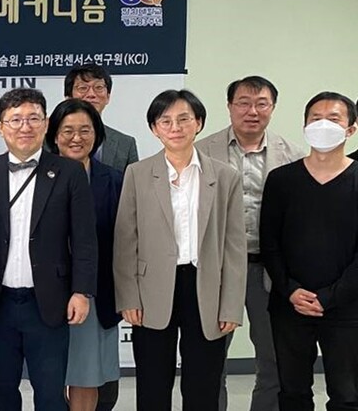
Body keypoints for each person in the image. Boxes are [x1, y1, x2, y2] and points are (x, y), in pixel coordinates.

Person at [114, 89, 246, 411]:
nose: (175, 127)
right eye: (166, 121)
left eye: (184, 119)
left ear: (198, 123)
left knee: (203, 383)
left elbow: (234, 247)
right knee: (152, 382)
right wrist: (129, 297)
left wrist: (231, 305)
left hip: (205, 287)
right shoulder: (137, 174)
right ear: (154, 128)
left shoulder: (225, 176)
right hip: (152, 288)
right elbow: (125, 240)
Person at [0, 88, 97, 411]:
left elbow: (84, 238)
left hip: (49, 301)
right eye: (15, 120)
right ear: (0, 127)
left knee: (50, 393)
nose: (25, 127)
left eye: (33, 118)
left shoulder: (69, 172)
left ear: (45, 125)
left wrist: (82, 291)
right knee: (1, 391)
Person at [195, 76, 303, 411]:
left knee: (273, 357)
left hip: (266, 270)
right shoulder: (201, 152)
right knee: (209, 357)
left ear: (273, 107)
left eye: (261, 103)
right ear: (229, 107)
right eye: (243, 103)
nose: (252, 111)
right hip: (216, 269)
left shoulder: (293, 156)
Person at [261, 91, 358, 411]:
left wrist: (330, 297)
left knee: (347, 395)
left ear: (351, 129)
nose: (323, 125)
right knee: (293, 393)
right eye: (316, 118)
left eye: (333, 119)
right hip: (290, 305)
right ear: (304, 126)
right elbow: (270, 243)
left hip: (348, 308)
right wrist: (290, 290)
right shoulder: (281, 180)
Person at [44, 99, 123, 411]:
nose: (76, 138)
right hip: (46, 293)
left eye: (85, 130)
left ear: (97, 134)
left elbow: (123, 241)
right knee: (48, 375)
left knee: (87, 376)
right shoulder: (36, 176)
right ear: (54, 135)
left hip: (94, 293)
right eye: (68, 130)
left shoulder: (114, 180)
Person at [65, 64, 139, 174]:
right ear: (68, 97)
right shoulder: (48, 141)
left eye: (99, 87)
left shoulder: (125, 144)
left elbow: (133, 184)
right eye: (83, 88)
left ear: (108, 96)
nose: (91, 94)